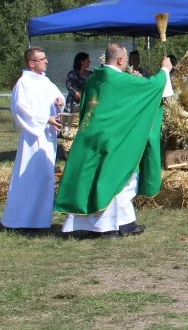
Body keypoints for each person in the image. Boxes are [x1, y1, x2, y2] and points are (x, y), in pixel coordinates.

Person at [54, 44, 172, 238]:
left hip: (91, 136)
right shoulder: (119, 79)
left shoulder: (94, 78)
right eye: (125, 60)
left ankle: (126, 223)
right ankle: (106, 227)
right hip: (114, 139)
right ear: (119, 60)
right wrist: (165, 69)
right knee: (120, 179)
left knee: (96, 179)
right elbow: (153, 86)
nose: (126, 63)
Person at [0, 47, 65, 232]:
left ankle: (40, 220)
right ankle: (20, 220)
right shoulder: (23, 83)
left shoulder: (44, 81)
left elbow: (57, 96)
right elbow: (20, 109)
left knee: (44, 177)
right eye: (42, 59)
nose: (46, 61)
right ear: (31, 63)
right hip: (33, 137)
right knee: (29, 177)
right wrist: (45, 119)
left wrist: (59, 101)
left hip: (47, 136)